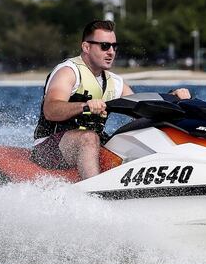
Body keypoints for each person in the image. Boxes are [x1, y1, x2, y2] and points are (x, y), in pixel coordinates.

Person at [31, 20, 190, 179]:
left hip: (90, 146)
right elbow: (51, 110)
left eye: (115, 46)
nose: (111, 52)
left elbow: (143, 108)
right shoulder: (69, 72)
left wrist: (173, 98)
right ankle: (93, 197)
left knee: (134, 136)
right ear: (86, 47)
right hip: (50, 148)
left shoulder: (115, 83)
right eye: (105, 46)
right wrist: (84, 106)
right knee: (89, 137)